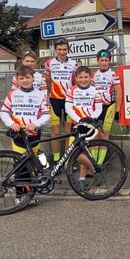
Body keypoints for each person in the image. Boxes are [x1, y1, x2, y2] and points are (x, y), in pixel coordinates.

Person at [0, 65, 50, 204]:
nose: (25, 80)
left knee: (32, 167)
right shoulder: (12, 94)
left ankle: (29, 195)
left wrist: (36, 123)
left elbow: (46, 115)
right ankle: (19, 196)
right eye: (22, 78)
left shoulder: (40, 94)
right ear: (17, 79)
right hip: (19, 135)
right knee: (19, 166)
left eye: (27, 77)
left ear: (33, 78)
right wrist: (11, 124)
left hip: (34, 134)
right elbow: (3, 112)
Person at [65, 66, 103, 191]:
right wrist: (79, 120)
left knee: (86, 153)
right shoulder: (72, 90)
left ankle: (82, 180)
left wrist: (90, 119)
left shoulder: (95, 90)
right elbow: (68, 108)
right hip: (76, 125)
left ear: (90, 77)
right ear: (76, 78)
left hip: (90, 126)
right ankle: (95, 169)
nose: (83, 79)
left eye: (86, 77)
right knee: (73, 152)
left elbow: (99, 108)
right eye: (80, 77)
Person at [44, 38, 79, 167]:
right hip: (55, 101)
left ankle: (68, 160)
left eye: (64, 49)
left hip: (69, 101)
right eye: (59, 49)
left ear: (68, 49)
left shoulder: (74, 64)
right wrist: (52, 92)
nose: (62, 52)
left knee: (69, 132)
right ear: (55, 50)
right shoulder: (49, 63)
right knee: (56, 132)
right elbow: (47, 80)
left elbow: (75, 82)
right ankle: (56, 160)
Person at [92, 49, 122, 141]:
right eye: (101, 60)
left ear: (109, 61)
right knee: (96, 135)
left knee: (104, 135)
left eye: (106, 60)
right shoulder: (93, 74)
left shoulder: (113, 74)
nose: (104, 63)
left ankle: (102, 156)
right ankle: (94, 156)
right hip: (97, 107)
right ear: (98, 61)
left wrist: (117, 111)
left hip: (109, 107)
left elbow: (119, 93)